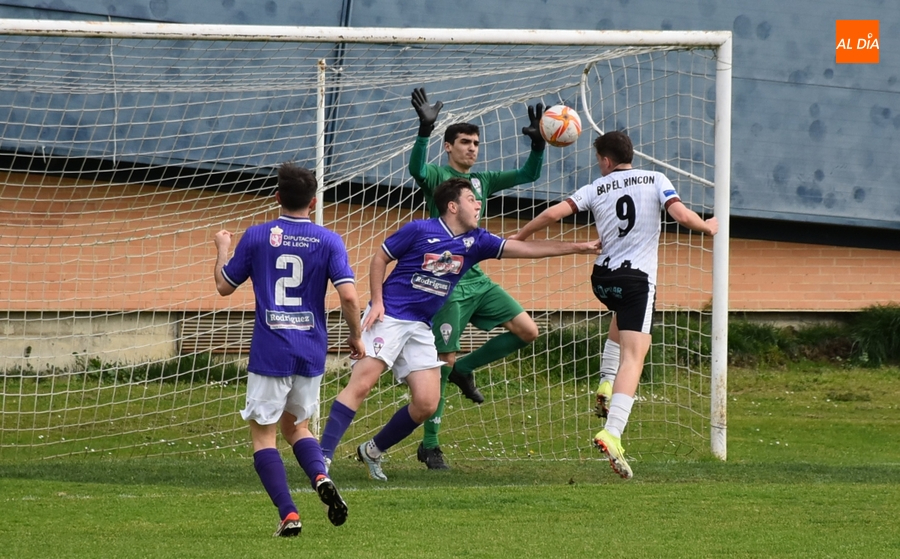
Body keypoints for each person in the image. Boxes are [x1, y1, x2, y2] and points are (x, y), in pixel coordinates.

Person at [318, 177, 600, 481]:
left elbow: (526, 248)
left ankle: (372, 451)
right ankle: (321, 460)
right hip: (390, 317)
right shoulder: (419, 229)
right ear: (452, 206)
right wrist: (376, 300)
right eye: (471, 199)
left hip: (421, 327)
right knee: (361, 385)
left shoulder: (478, 241)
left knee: (426, 403)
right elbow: (381, 257)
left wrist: (578, 247)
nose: (478, 204)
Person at [510, 131, 718, 480]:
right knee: (635, 357)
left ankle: (606, 382)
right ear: (628, 155)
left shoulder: (595, 187)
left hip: (603, 281)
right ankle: (613, 432)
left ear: (606, 160)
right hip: (637, 281)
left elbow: (552, 213)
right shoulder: (655, 179)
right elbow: (682, 216)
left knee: (622, 319)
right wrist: (708, 227)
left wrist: (520, 237)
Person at [213, 162, 365, 536]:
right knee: (298, 427)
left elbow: (223, 286)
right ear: (313, 202)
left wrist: (222, 248)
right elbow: (348, 295)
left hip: (270, 350)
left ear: (277, 197)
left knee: (264, 436)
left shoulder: (257, 235)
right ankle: (319, 476)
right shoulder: (329, 240)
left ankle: (289, 514)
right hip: (310, 350)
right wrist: (356, 335)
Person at [407, 86, 547, 470]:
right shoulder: (437, 174)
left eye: (476, 143)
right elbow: (416, 170)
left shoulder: (482, 181)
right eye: (465, 142)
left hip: (478, 279)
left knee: (527, 331)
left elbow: (527, 174)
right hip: (445, 282)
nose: (473, 148)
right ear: (448, 147)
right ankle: (430, 446)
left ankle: (467, 370)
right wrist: (424, 131)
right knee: (443, 360)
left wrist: (539, 144)